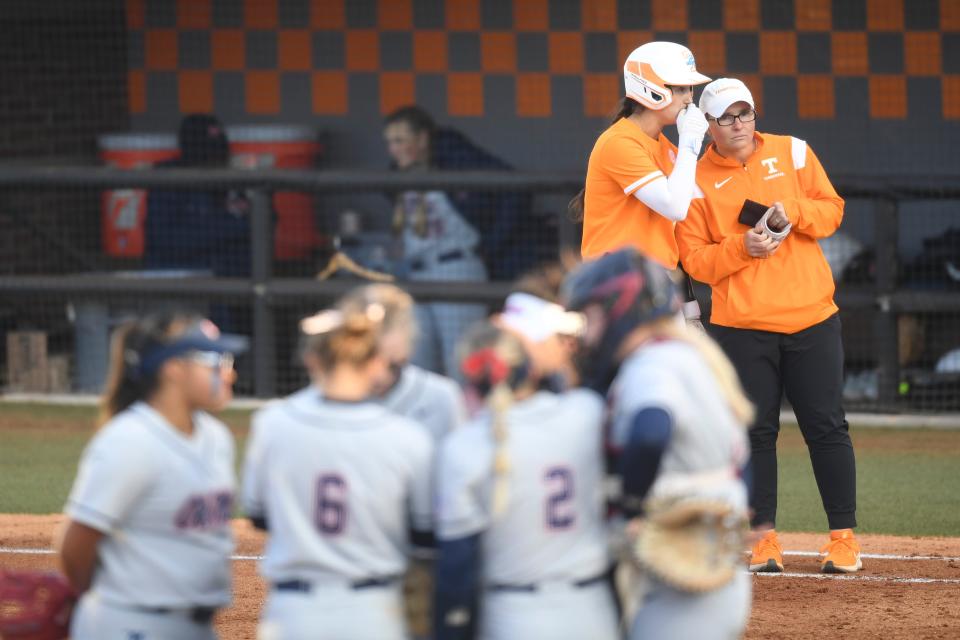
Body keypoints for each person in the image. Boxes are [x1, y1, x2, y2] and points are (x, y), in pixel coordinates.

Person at [676, 77, 860, 574]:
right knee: (755, 433)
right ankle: (765, 541)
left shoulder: (794, 151)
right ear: (709, 125)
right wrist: (744, 248)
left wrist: (793, 213)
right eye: (726, 117)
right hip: (741, 327)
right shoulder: (690, 177)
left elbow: (832, 210)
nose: (738, 125)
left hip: (812, 317)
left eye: (745, 114)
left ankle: (843, 540)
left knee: (827, 428)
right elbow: (693, 259)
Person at [562, 248, 754, 640]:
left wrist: (631, 503)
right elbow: (744, 464)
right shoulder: (689, 357)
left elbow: (651, 432)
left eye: (592, 316)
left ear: (622, 310)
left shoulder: (653, 363)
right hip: (702, 564)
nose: (588, 331)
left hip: (684, 583)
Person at [243, 300, 434, 640]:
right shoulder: (407, 437)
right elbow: (423, 535)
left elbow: (259, 517)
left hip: (294, 614)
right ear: (377, 363)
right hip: (374, 612)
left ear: (311, 359)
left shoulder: (273, 424)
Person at [57, 311, 244, 640]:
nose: (228, 374)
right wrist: (104, 606)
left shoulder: (216, 437)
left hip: (195, 626)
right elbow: (76, 545)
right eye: (213, 361)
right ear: (173, 368)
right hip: (132, 626)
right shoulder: (130, 441)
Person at [433, 323, 618, 640]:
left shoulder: (464, 446)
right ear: (529, 369)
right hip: (591, 610)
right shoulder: (585, 411)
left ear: (472, 384)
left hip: (512, 615)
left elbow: (457, 565)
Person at [572, 41, 712, 327]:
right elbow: (675, 207)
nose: (688, 98)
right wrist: (689, 145)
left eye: (689, 88)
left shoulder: (667, 147)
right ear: (650, 88)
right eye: (680, 88)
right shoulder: (619, 142)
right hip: (615, 285)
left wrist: (688, 306)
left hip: (654, 284)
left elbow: (674, 233)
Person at [383, 105, 529, 377]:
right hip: (415, 273)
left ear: (423, 139)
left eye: (400, 140)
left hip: (456, 266)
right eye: (390, 142)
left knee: (460, 364)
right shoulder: (398, 175)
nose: (394, 149)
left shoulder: (457, 161)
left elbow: (516, 190)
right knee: (417, 366)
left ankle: (472, 420)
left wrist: (491, 246)